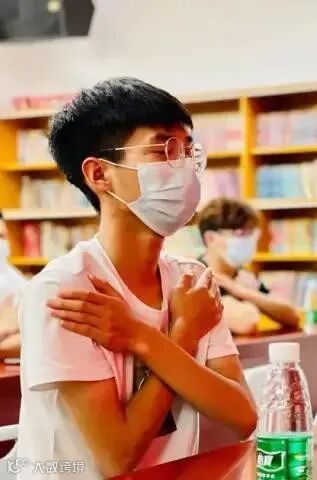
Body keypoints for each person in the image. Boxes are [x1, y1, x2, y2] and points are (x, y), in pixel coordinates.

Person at [17, 78, 257, 480]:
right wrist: (182, 334)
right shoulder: (66, 290)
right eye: (163, 149)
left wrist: (144, 338)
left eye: (188, 150)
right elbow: (115, 458)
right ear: (99, 173)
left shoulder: (191, 281)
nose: (183, 165)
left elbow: (243, 416)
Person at [197, 198, 299, 334]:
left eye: (251, 233)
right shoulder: (197, 276)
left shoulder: (244, 277)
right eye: (241, 234)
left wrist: (240, 291)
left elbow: (292, 316)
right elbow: (247, 322)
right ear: (210, 238)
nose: (248, 241)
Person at [0, 213, 28, 360]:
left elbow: (38, 336)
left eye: (2, 237)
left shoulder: (13, 277)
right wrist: (7, 327)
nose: (2, 244)